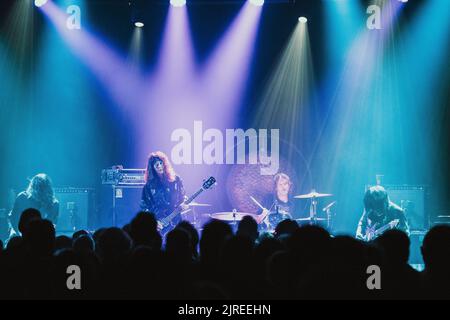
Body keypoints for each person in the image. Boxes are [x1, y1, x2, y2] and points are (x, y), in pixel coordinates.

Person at [140, 152, 187, 232]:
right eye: (156, 165)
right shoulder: (149, 186)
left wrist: (184, 204)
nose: (159, 166)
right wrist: (153, 222)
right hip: (158, 224)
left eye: (160, 163)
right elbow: (145, 207)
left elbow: (183, 197)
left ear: (165, 164)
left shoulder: (176, 180)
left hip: (176, 220)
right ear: (152, 168)